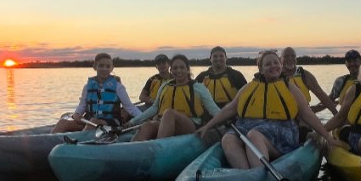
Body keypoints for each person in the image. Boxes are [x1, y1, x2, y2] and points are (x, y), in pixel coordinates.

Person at [197, 49, 341, 169]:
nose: (273, 66)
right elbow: (229, 109)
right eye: (268, 64)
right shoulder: (249, 88)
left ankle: (258, 173)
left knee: (255, 135)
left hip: (281, 130)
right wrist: (208, 126)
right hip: (248, 127)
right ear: (260, 68)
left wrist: (327, 136)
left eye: (276, 63)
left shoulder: (290, 88)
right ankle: (247, 175)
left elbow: (307, 114)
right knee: (228, 138)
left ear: (280, 64)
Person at [128, 54, 220, 141]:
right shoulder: (165, 86)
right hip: (165, 122)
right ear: (171, 70)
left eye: (182, 67)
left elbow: (213, 109)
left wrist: (226, 119)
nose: (178, 71)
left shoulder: (198, 87)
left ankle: (159, 146)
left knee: (169, 113)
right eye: (175, 68)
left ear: (188, 69)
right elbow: (154, 108)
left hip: (191, 124)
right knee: (147, 125)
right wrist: (132, 122)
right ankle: (131, 152)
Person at [51, 53, 142, 133]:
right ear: (95, 67)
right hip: (89, 120)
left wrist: (143, 118)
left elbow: (130, 107)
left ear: (112, 68)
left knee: (94, 121)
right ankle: (51, 142)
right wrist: (77, 114)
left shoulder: (118, 87)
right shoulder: (87, 87)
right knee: (63, 123)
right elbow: (82, 105)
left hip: (111, 122)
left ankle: (79, 141)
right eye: (101, 66)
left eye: (108, 66)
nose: (104, 69)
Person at [279, 46, 337, 115]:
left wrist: (336, 113)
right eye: (286, 56)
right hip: (283, 115)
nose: (290, 58)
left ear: (296, 59)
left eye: (293, 56)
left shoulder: (305, 75)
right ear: (280, 60)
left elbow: (322, 96)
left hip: (304, 115)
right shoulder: (275, 76)